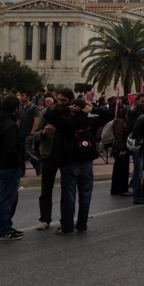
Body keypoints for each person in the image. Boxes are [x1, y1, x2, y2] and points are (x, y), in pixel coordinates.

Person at [44, 98, 111, 234]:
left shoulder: (66, 123)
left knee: (69, 196)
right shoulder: (90, 123)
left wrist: (67, 109)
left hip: (69, 162)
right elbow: (110, 115)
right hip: (86, 163)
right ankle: (82, 225)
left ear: (73, 109)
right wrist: (94, 110)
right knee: (85, 196)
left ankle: (67, 227)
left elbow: (49, 115)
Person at [33, 88, 74, 230]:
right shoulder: (47, 112)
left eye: (64, 101)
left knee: (67, 190)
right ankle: (45, 219)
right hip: (49, 155)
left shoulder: (72, 113)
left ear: (70, 101)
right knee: (46, 189)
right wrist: (43, 132)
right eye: (59, 99)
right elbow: (35, 134)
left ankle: (66, 220)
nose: (61, 103)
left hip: (67, 156)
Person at [0, 95, 24, 241]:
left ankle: (6, 226)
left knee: (9, 197)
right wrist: (19, 162)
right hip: (9, 166)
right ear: (16, 109)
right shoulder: (10, 125)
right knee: (7, 198)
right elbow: (11, 148)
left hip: (4, 165)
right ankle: (3, 229)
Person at [129, 93, 144, 204]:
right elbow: (135, 129)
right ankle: (137, 196)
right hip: (138, 145)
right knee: (138, 172)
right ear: (137, 101)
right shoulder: (134, 113)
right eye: (142, 101)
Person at [18, 90, 41, 177]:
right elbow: (19, 120)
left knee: (29, 153)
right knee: (21, 154)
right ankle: (22, 171)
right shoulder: (21, 108)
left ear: (28, 97)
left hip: (28, 133)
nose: (21, 97)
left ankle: (38, 168)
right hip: (21, 133)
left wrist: (32, 132)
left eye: (23, 95)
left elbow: (36, 120)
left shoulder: (33, 107)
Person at [110, 107, 131, 196]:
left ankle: (116, 189)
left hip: (120, 149)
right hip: (120, 150)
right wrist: (122, 149)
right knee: (122, 169)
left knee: (119, 169)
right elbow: (119, 136)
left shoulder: (122, 122)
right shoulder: (121, 122)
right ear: (127, 113)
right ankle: (122, 189)